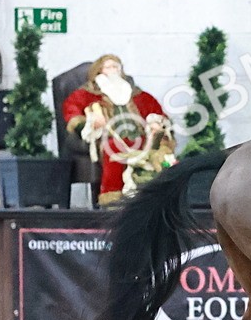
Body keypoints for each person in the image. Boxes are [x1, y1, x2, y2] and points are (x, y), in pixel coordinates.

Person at [62, 54, 177, 206]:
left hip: (141, 139)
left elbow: (157, 112)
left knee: (162, 151)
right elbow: (72, 113)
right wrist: (91, 122)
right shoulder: (85, 94)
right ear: (99, 71)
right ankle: (112, 199)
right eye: (108, 67)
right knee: (114, 147)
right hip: (109, 138)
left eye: (116, 67)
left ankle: (162, 198)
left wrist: (158, 124)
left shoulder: (137, 94)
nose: (113, 71)